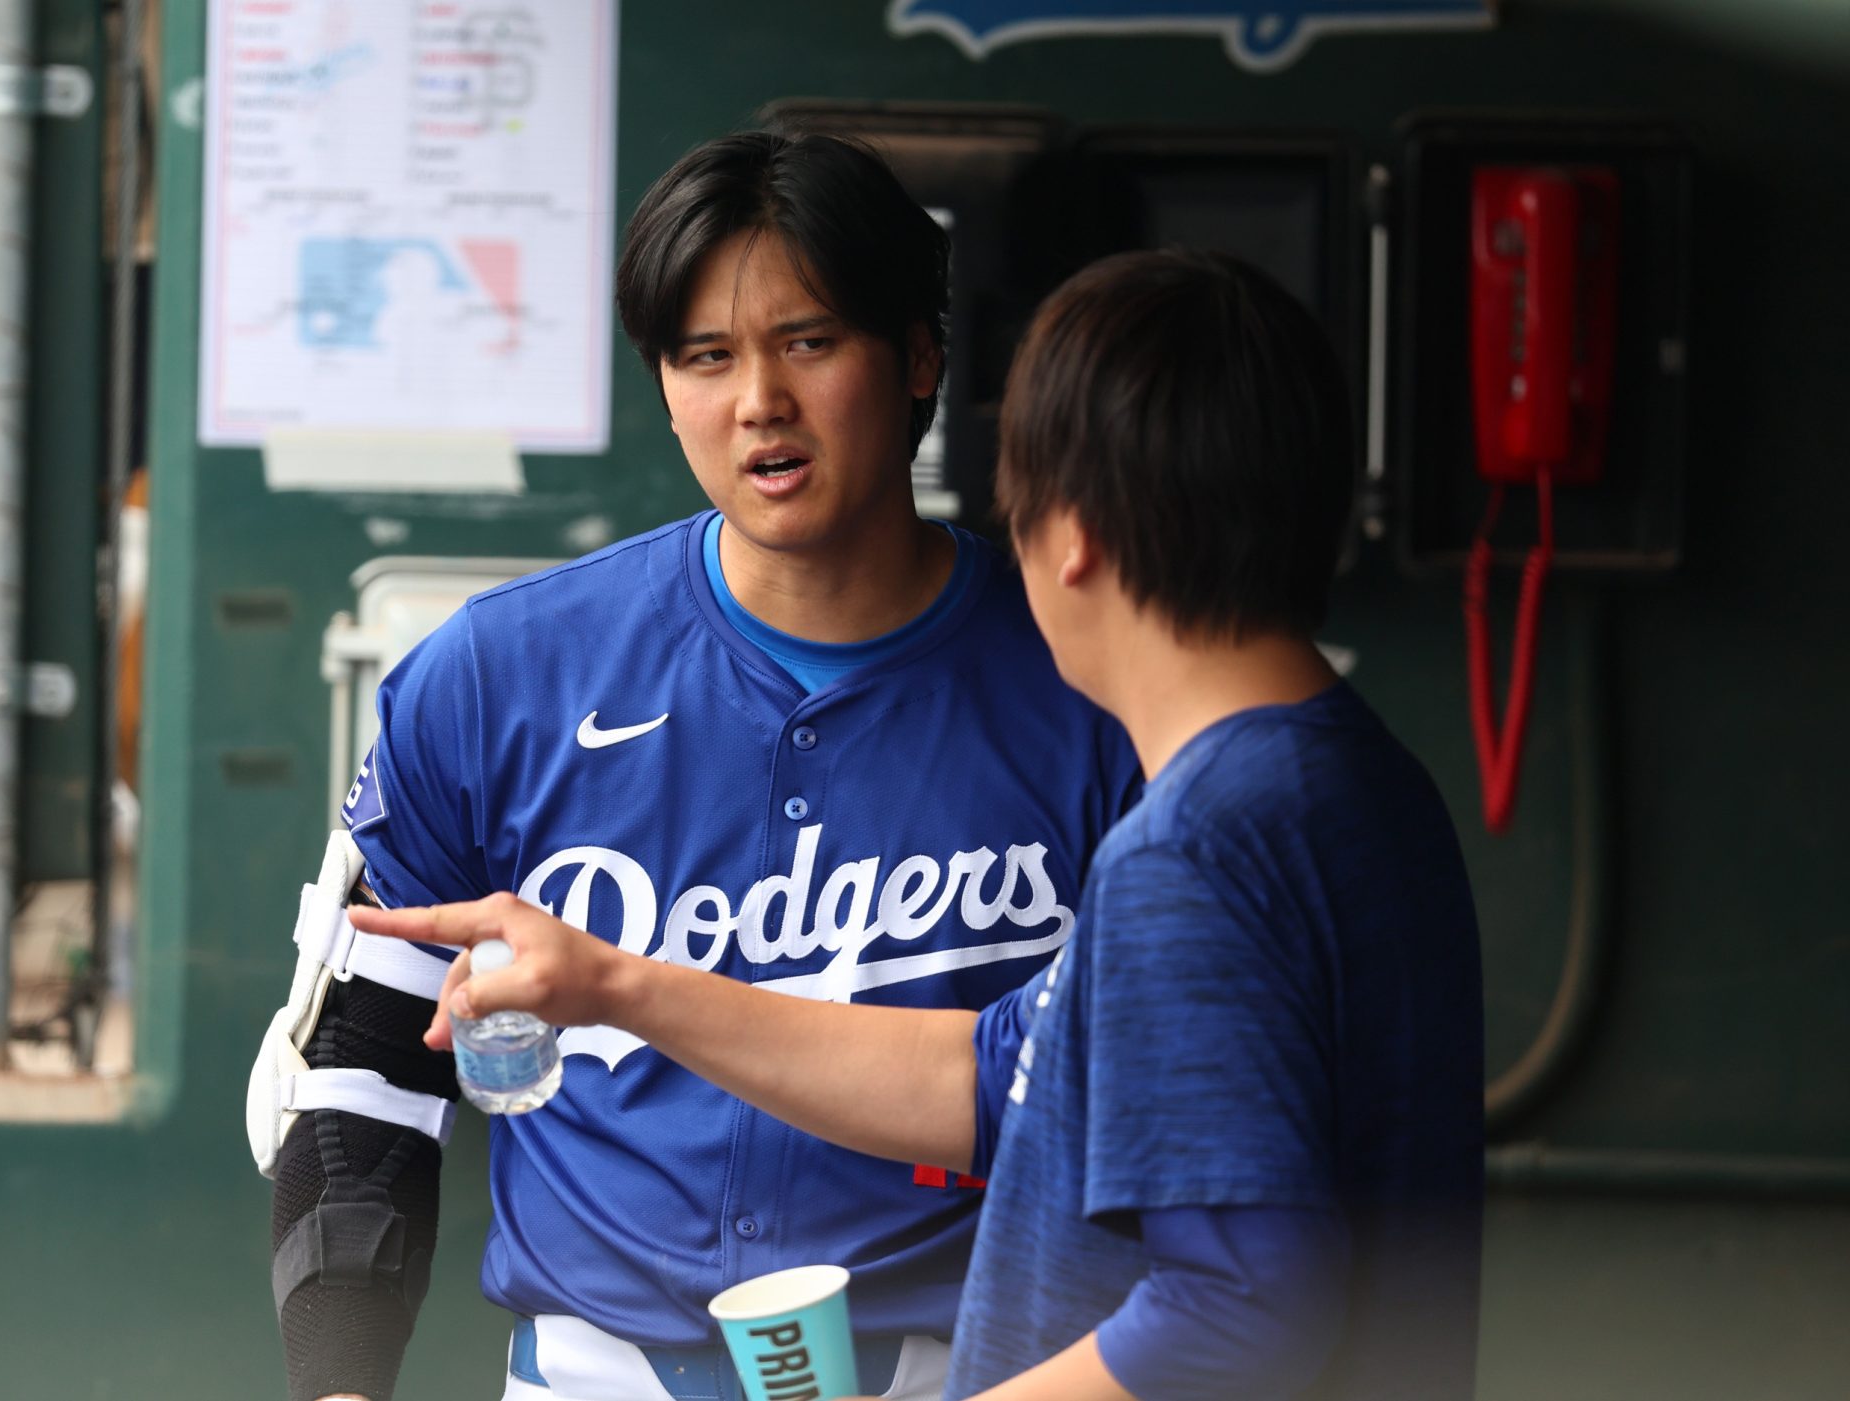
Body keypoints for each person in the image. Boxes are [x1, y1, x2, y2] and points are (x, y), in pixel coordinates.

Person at [351, 249, 1486, 1399]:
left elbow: (1234, 1303)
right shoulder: (1360, 784)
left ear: (1072, 536)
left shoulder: (1190, 854)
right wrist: (618, 985)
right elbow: (1004, 1084)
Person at [256, 128, 1140, 1401]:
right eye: (704, 356)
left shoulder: (1089, 684)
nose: (757, 402)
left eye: (810, 341)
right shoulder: (497, 674)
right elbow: (358, 1074)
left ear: (920, 355)